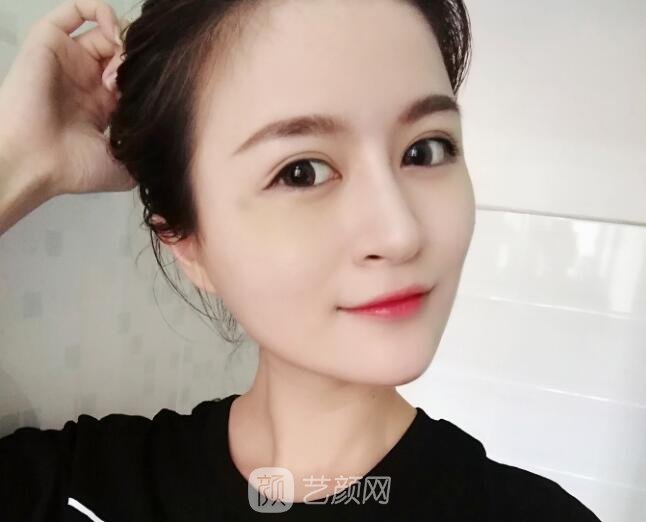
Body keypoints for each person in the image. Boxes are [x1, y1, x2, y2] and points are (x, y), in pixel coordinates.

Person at [0, 0, 603, 520]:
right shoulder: (83, 491)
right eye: (302, 172)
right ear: (187, 241)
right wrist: (20, 163)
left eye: (425, 149)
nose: (400, 234)